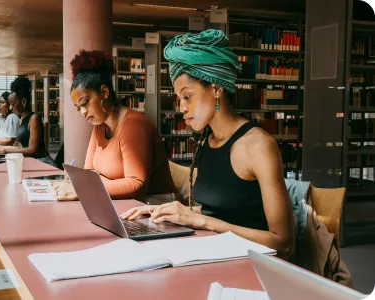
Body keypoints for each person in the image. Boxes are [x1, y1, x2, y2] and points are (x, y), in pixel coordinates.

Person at [121, 29, 295, 258]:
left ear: (215, 88)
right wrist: (169, 212)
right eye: (178, 99)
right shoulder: (207, 140)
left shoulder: (258, 146)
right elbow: (219, 211)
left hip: (252, 265)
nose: (181, 107)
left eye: (187, 96)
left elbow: (282, 242)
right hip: (215, 254)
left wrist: (202, 220)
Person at [53, 50, 176, 202]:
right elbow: (90, 172)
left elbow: (136, 184)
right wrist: (92, 185)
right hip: (122, 203)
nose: (83, 112)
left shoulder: (133, 126)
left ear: (104, 92)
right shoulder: (99, 126)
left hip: (154, 205)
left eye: (85, 103)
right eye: (78, 108)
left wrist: (85, 189)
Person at [0, 78, 52, 165]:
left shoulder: (34, 118)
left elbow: (32, 149)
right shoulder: (21, 118)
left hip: (41, 162)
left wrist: (3, 149)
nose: (10, 108)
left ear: (23, 101)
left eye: (13, 104)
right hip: (30, 161)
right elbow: (21, 147)